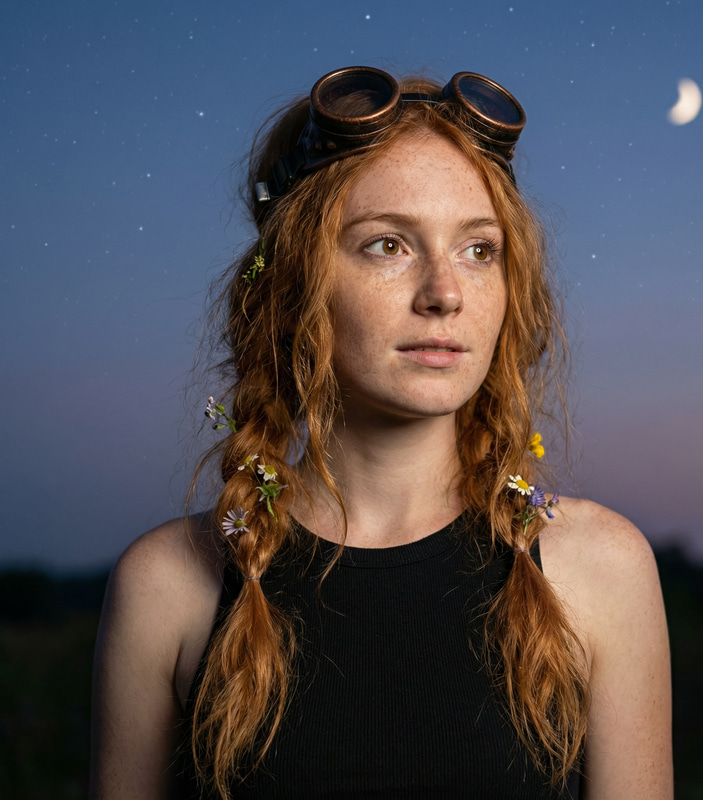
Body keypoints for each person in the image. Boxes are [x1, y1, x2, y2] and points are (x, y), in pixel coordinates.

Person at [89, 67, 672, 799]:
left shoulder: (599, 571)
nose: (445, 293)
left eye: (478, 249)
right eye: (386, 245)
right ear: (293, 282)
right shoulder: (170, 585)